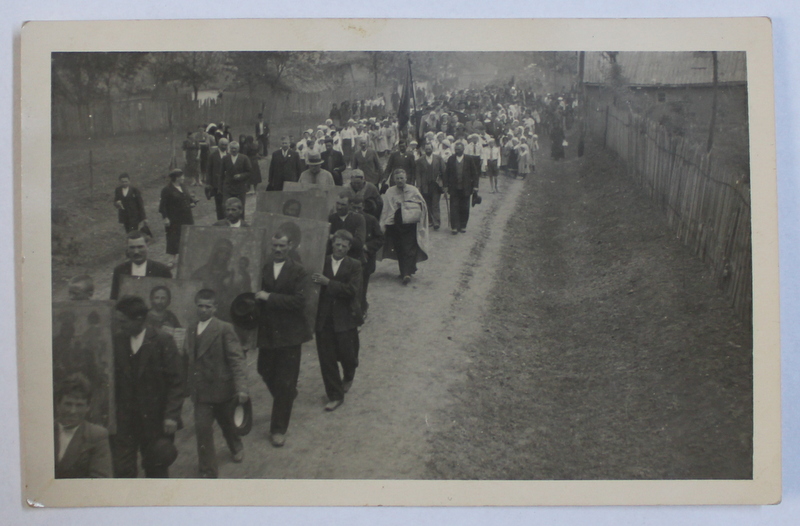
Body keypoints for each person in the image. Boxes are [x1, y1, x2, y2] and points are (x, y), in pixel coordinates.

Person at [111, 295, 184, 478]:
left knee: (156, 469)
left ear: (139, 320)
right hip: (125, 420)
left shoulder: (163, 341)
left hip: (156, 421)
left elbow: (176, 381)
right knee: (122, 470)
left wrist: (171, 416)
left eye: (123, 322)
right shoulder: (117, 340)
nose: (120, 326)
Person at [254, 229, 312, 447]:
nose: (278, 249)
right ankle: (287, 395)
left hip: (290, 334)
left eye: (282, 246)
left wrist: (269, 297)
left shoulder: (298, 271)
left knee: (285, 380)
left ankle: (278, 429)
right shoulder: (264, 268)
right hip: (268, 331)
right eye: (275, 246)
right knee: (264, 369)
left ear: (290, 247)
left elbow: (299, 301)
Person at [185, 289, 249, 478]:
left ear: (215, 308)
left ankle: (235, 445)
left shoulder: (223, 328)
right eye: (200, 306)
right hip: (201, 392)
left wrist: (242, 388)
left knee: (227, 423)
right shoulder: (190, 328)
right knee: (202, 429)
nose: (203, 310)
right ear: (196, 306)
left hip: (222, 390)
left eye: (208, 306)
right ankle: (208, 471)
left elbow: (237, 359)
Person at [311, 230, 363, 411]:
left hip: (346, 317)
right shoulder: (321, 261)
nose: (339, 248)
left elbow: (352, 290)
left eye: (344, 245)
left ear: (349, 247)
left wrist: (328, 283)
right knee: (327, 359)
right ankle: (335, 395)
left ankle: (349, 375)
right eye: (337, 244)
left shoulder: (354, 265)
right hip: (324, 318)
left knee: (348, 356)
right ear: (332, 244)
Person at [54, 373, 112, 479]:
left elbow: (101, 480)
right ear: (58, 404)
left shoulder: (96, 436)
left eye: (79, 405)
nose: (73, 411)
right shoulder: (45, 431)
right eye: (68, 404)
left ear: (88, 407)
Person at [379, 169, 429, 285]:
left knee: (409, 248)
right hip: (395, 225)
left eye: (402, 178)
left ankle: (406, 273)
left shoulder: (413, 190)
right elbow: (386, 209)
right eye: (397, 178)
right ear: (393, 180)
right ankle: (405, 271)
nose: (400, 180)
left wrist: (410, 205)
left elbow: (422, 205)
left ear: (406, 179)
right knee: (400, 248)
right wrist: (384, 224)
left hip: (410, 224)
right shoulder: (390, 192)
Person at [110, 230, 172, 300]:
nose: (136, 252)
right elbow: (114, 300)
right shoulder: (119, 271)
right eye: (132, 248)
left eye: (140, 247)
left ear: (147, 246)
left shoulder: (162, 270)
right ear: (127, 249)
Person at [350, 197, 383, 317]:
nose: (357, 211)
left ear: (363, 207)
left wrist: (367, 246)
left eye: (359, 208)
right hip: (349, 258)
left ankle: (362, 309)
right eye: (354, 208)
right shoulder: (346, 220)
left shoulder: (371, 220)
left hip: (365, 259)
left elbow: (380, 238)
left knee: (362, 287)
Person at [159, 169, 197, 268]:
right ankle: (171, 259)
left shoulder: (183, 187)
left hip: (187, 217)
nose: (183, 178)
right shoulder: (167, 190)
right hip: (174, 218)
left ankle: (187, 257)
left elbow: (188, 199)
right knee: (173, 238)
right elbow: (162, 206)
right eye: (181, 177)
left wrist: (193, 202)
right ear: (175, 178)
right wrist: (165, 218)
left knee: (188, 236)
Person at [443, 141, 480, 235]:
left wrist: (475, 186)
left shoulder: (469, 159)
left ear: (463, 149)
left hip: (466, 188)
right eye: (455, 149)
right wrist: (445, 186)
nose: (457, 151)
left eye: (459, 149)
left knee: (465, 208)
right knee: (454, 207)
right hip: (454, 188)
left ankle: (463, 225)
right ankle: (454, 227)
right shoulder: (451, 159)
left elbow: (475, 174)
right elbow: (446, 174)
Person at [415, 142, 446, 230]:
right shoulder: (420, 160)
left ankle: (437, 222)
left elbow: (444, 171)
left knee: (435, 204)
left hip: (436, 185)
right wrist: (419, 185)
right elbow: (418, 174)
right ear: (424, 150)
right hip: (425, 185)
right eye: (426, 149)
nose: (428, 150)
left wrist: (444, 184)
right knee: (427, 204)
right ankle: (430, 221)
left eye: (429, 149)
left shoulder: (438, 159)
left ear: (432, 149)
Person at [327, 194, 366, 262]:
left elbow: (359, 243)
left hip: (353, 259)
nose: (339, 207)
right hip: (334, 259)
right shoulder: (331, 218)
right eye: (338, 203)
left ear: (350, 205)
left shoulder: (358, 219)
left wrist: (334, 237)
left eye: (343, 204)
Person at [222, 141, 252, 215]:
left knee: (240, 207)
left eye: (235, 148)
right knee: (227, 206)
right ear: (229, 149)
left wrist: (241, 176)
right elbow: (221, 173)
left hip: (240, 187)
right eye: (232, 148)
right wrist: (221, 187)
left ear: (238, 149)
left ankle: (240, 224)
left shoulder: (244, 158)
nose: (233, 150)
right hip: (228, 187)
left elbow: (249, 172)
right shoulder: (225, 158)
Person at [207, 137, 229, 220]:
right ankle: (220, 219)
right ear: (219, 145)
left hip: (227, 183)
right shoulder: (213, 155)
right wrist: (209, 184)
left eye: (226, 145)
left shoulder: (229, 155)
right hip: (216, 183)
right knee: (219, 203)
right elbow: (209, 170)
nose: (224, 146)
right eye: (222, 145)